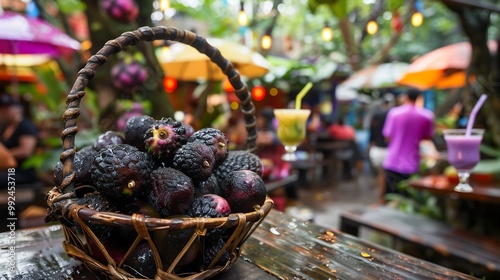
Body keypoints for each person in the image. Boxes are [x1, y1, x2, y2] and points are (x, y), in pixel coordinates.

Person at [382, 89, 434, 199]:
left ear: (406, 97)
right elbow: (427, 137)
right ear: (419, 98)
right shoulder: (427, 116)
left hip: (393, 161)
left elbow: (387, 136)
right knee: (407, 199)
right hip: (412, 163)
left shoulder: (394, 113)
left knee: (391, 197)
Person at [0, 94, 39, 186]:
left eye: (8, 108)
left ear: (18, 109)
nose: (4, 111)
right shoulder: (5, 127)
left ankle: (11, 200)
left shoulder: (26, 125)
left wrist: (5, 155)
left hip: (22, 172)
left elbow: (26, 151)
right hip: (7, 169)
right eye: (2, 108)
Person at [369, 98, 391, 201]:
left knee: (381, 175)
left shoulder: (376, 115)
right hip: (389, 150)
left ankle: (381, 198)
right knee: (387, 176)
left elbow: (372, 131)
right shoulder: (392, 115)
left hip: (378, 149)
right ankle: (384, 199)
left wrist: (371, 143)